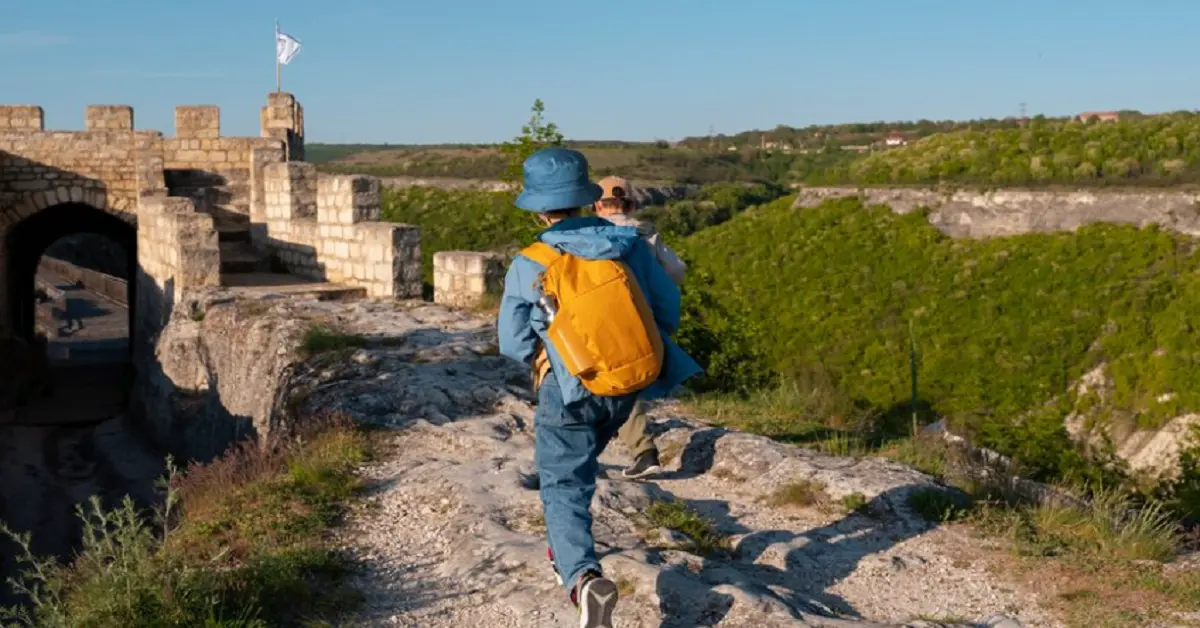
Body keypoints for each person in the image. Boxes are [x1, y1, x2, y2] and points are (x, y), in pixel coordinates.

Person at [498, 147, 701, 627]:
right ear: (585, 197)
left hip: (569, 387)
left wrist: (554, 353)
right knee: (582, 465)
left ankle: (582, 578)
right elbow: (666, 309)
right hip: (630, 384)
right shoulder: (630, 244)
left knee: (563, 482)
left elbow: (512, 342)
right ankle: (571, 543)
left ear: (540, 207)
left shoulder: (531, 261)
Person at [591, 175, 687, 479]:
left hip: (603, 317)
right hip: (643, 317)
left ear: (596, 205)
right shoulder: (646, 234)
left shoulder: (589, 234)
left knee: (608, 382)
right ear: (630, 204)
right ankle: (631, 449)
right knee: (624, 382)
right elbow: (677, 271)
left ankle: (641, 451)